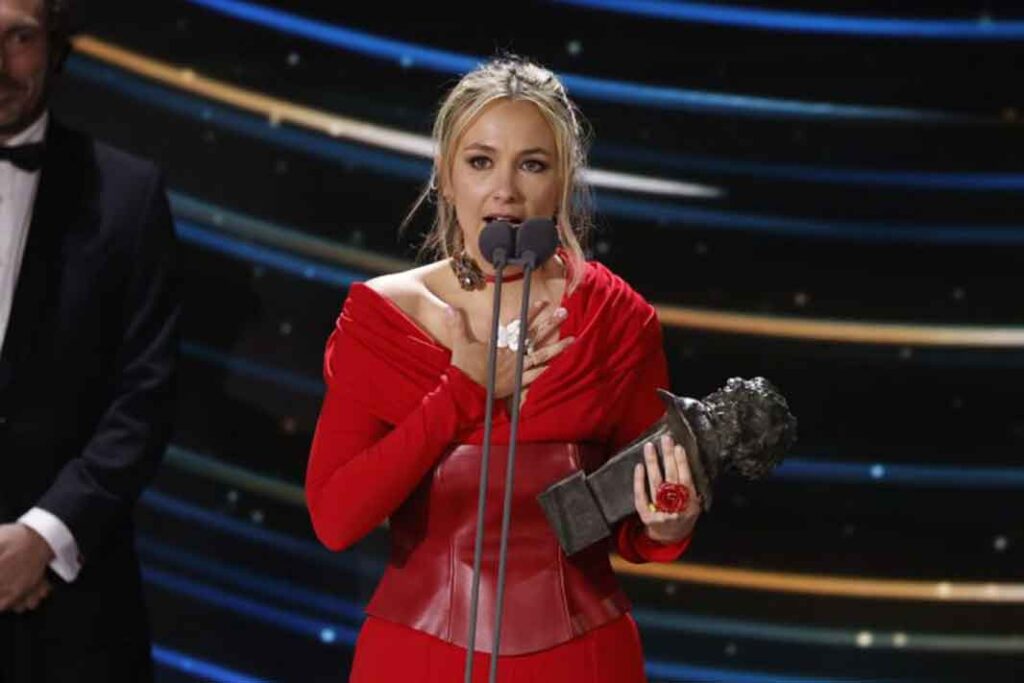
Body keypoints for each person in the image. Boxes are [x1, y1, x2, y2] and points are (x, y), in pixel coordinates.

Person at [306, 56, 700, 682]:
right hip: (418, 656)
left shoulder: (614, 319)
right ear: (446, 176)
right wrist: (460, 392)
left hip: (583, 656)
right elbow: (335, 518)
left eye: (533, 164)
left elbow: (644, 516)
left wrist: (670, 519)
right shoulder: (385, 316)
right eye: (481, 161)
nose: (505, 190)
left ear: (563, 180)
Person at [0, 0, 179, 680]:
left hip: (74, 618)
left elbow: (146, 394)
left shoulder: (128, 196)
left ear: (55, 45)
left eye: (18, 37)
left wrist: (41, 539)